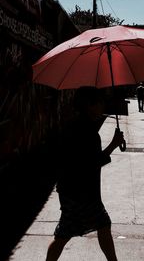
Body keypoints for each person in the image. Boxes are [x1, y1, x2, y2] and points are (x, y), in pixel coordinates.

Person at [45, 86, 125, 261]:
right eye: (100, 103)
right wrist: (113, 144)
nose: (103, 107)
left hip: (71, 191)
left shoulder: (76, 125)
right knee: (100, 225)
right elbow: (91, 163)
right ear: (89, 105)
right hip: (81, 193)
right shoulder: (87, 132)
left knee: (64, 234)